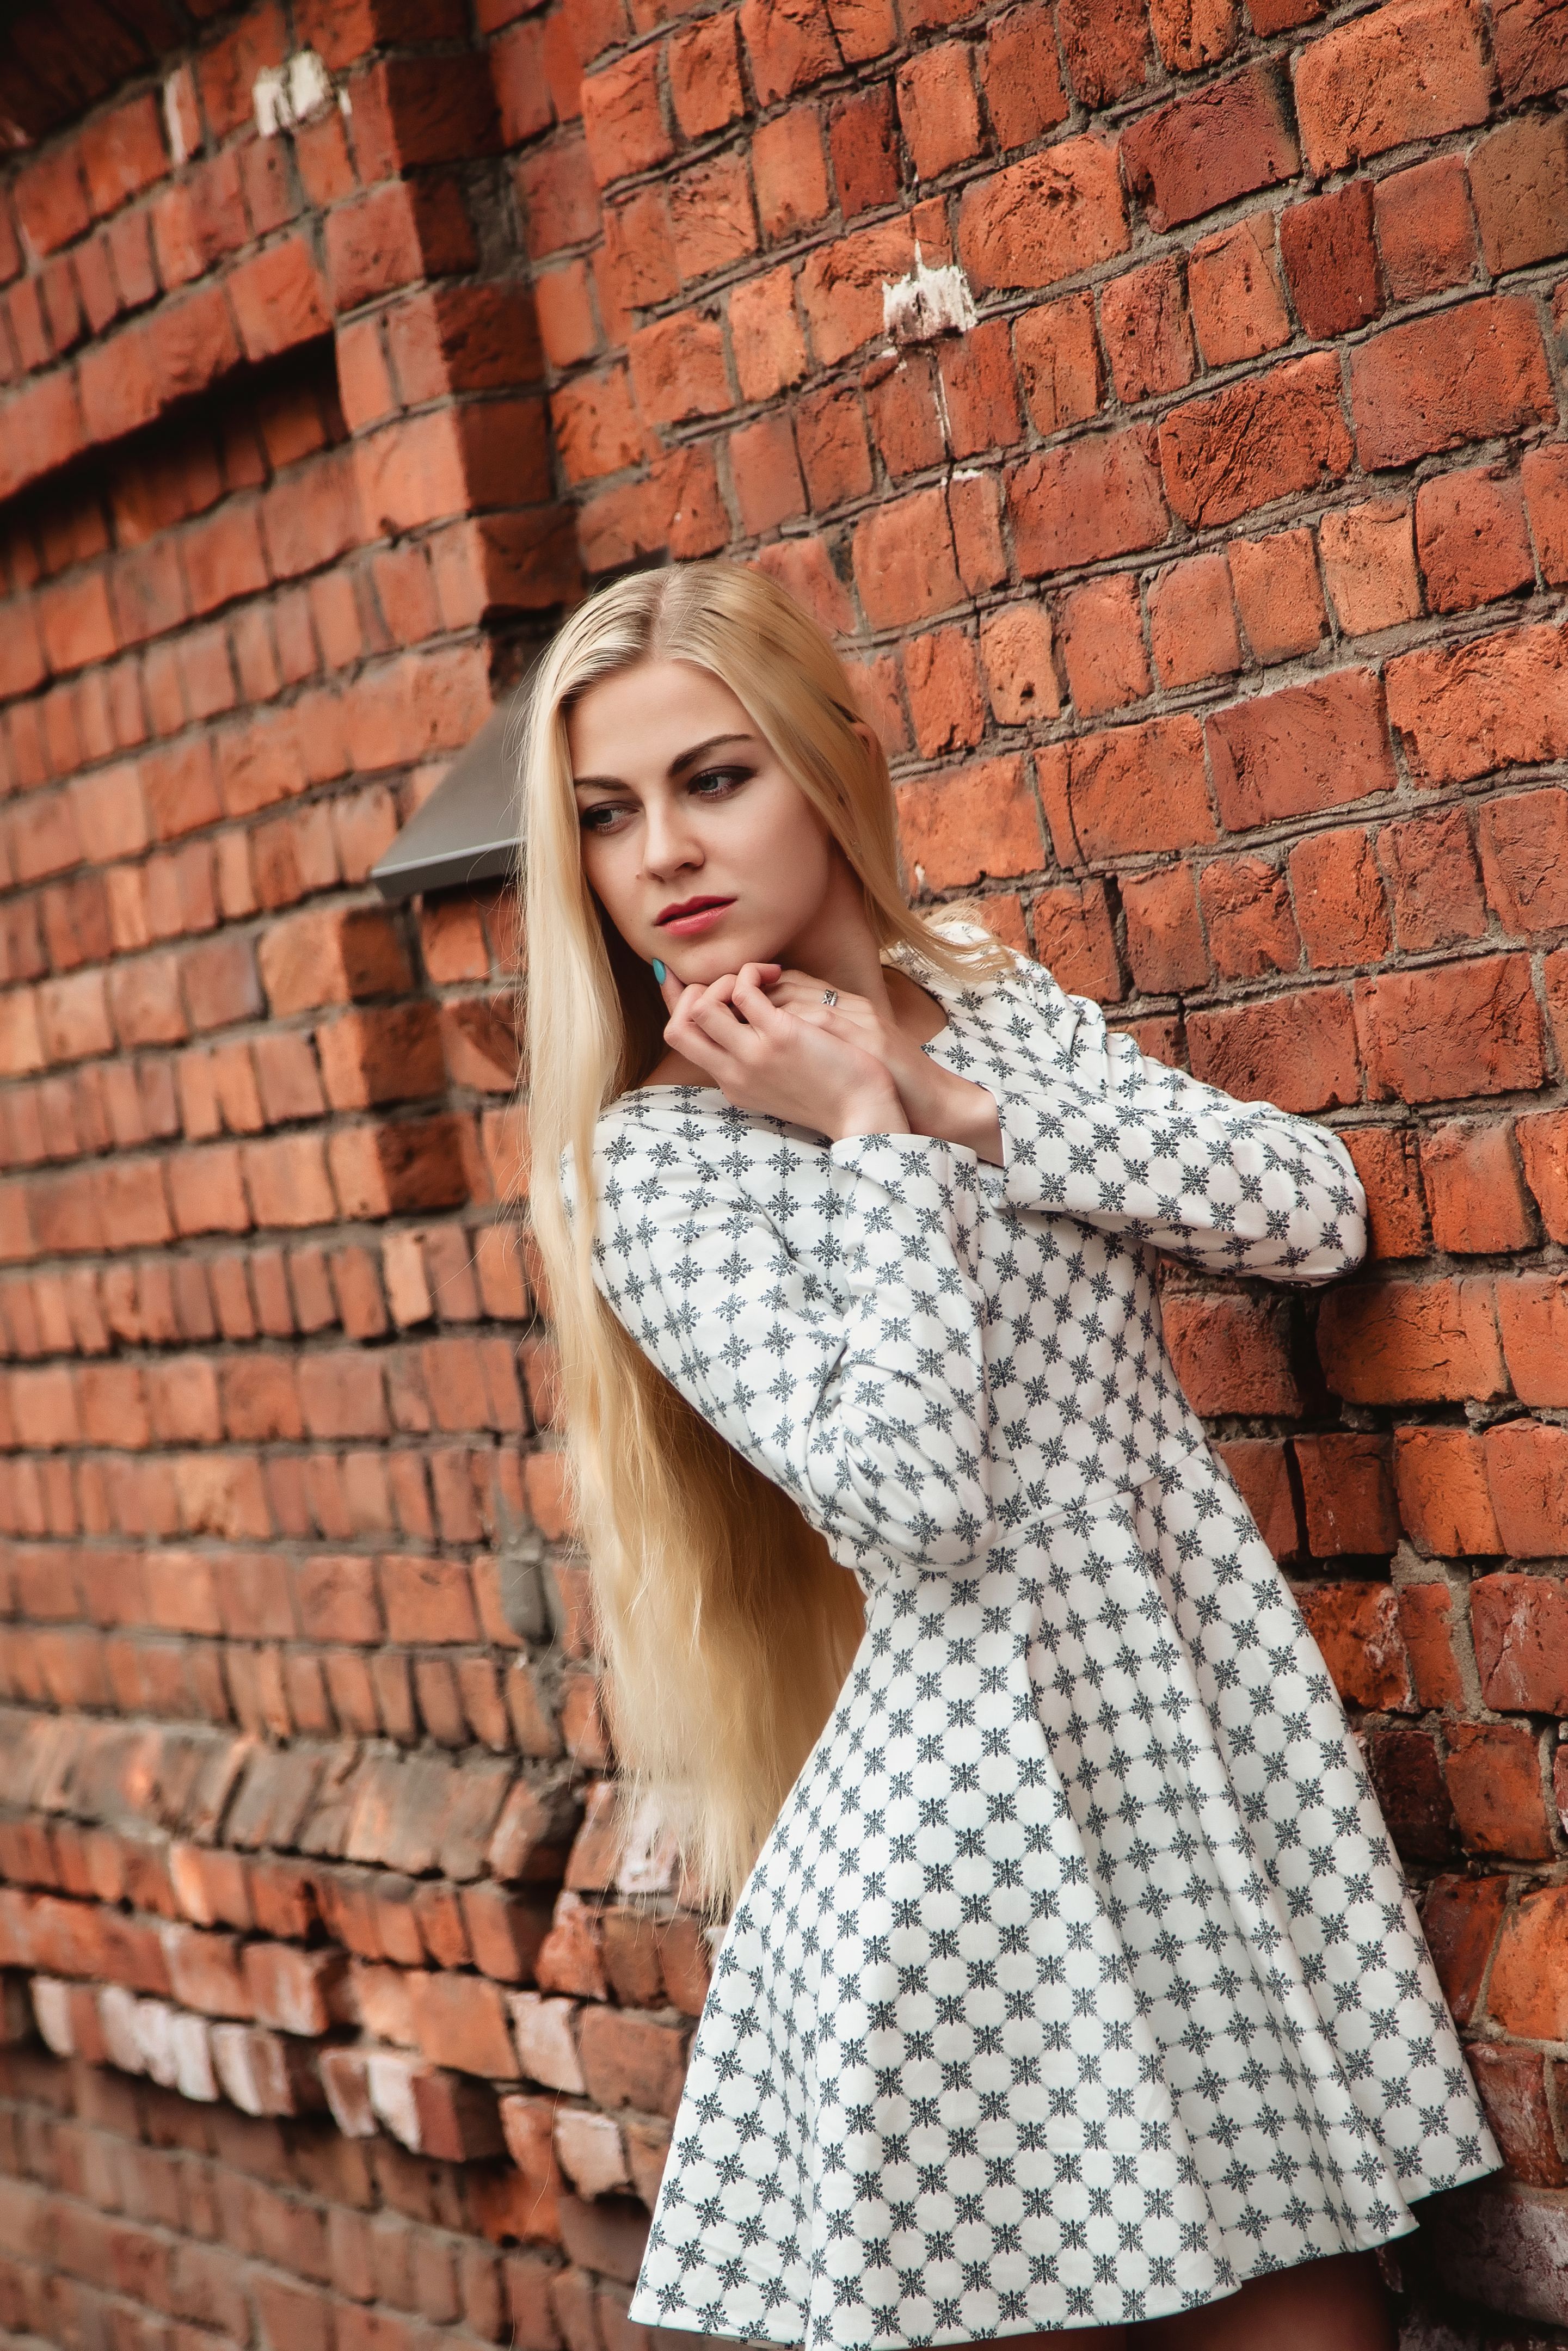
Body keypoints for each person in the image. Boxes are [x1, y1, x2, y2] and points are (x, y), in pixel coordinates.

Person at [520, 559, 1500, 2351]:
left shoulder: (996, 1005)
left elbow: (1309, 1213)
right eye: (605, 815)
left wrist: (954, 1095)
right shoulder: (654, 1171)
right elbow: (910, 1502)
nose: (660, 850)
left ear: (826, 769)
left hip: (1190, 1770)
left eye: (712, 779)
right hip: (967, 1847)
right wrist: (870, 1137)